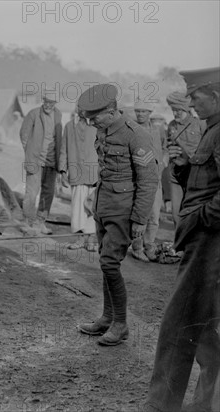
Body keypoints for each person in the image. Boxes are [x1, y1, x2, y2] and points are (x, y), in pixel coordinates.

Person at [143, 67, 220, 412]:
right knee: (202, 322)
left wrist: (200, 218)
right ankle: (206, 402)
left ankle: (163, 405)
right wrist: (186, 167)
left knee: (179, 321)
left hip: (209, 242)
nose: (191, 102)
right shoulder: (212, 129)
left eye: (196, 96)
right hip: (206, 240)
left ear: (216, 96)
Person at [76, 84, 158, 346]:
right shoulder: (104, 130)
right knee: (105, 261)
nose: (91, 123)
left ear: (111, 112)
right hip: (104, 206)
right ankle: (107, 317)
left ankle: (120, 324)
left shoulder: (137, 135)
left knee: (110, 263)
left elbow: (148, 181)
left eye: (94, 118)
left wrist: (140, 219)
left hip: (124, 210)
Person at [19, 90, 64, 235]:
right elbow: (24, 134)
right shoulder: (33, 114)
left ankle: (40, 222)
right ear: (42, 100)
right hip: (35, 160)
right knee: (31, 193)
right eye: (46, 101)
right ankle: (27, 222)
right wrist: (30, 152)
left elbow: (58, 137)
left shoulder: (58, 115)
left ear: (55, 103)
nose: (48, 105)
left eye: (51, 102)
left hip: (51, 161)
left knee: (48, 193)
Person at [131, 99, 167, 262]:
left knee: (154, 214)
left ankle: (149, 245)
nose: (140, 114)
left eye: (144, 111)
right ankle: (137, 247)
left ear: (150, 113)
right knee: (141, 214)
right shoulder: (132, 129)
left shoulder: (158, 130)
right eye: (138, 111)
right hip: (139, 181)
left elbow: (165, 148)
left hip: (156, 179)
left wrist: (164, 161)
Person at [59, 108, 99, 252]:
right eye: (80, 109)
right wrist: (63, 171)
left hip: (94, 173)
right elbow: (64, 149)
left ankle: (92, 239)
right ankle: (80, 239)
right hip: (76, 173)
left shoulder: (96, 126)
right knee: (77, 208)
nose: (83, 112)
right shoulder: (69, 126)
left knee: (92, 207)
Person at [165, 91, 206, 228]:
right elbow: (167, 147)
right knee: (176, 215)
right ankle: (180, 248)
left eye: (179, 110)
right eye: (173, 110)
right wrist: (169, 152)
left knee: (193, 214)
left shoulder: (200, 124)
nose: (175, 113)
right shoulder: (171, 125)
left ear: (187, 109)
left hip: (194, 174)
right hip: (176, 174)